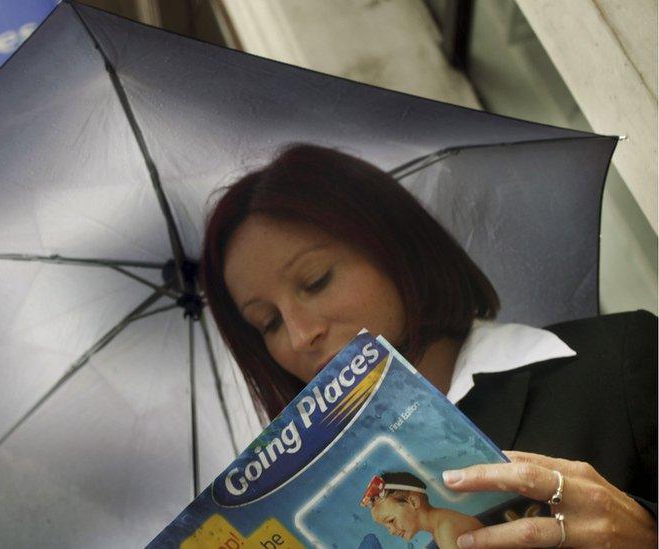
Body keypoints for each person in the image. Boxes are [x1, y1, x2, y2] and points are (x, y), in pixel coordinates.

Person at [199, 143, 657, 548]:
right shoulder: (318, 513)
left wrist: (645, 534)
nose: (301, 335)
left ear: (392, 245)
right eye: (269, 322)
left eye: (316, 280)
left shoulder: (619, 363)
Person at [360, 472, 483, 548]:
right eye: (386, 527)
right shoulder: (439, 528)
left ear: (413, 502)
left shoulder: (446, 529)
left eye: (391, 521)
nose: (391, 532)